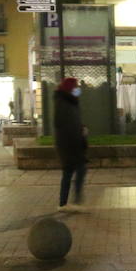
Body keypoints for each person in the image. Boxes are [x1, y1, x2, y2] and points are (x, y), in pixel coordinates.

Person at [54, 77, 87, 207]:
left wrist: (81, 128)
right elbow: (62, 124)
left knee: (75, 172)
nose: (78, 89)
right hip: (68, 145)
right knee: (71, 172)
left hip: (74, 143)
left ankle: (66, 202)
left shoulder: (72, 102)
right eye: (76, 86)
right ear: (70, 88)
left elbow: (74, 121)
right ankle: (66, 203)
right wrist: (77, 132)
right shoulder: (62, 103)